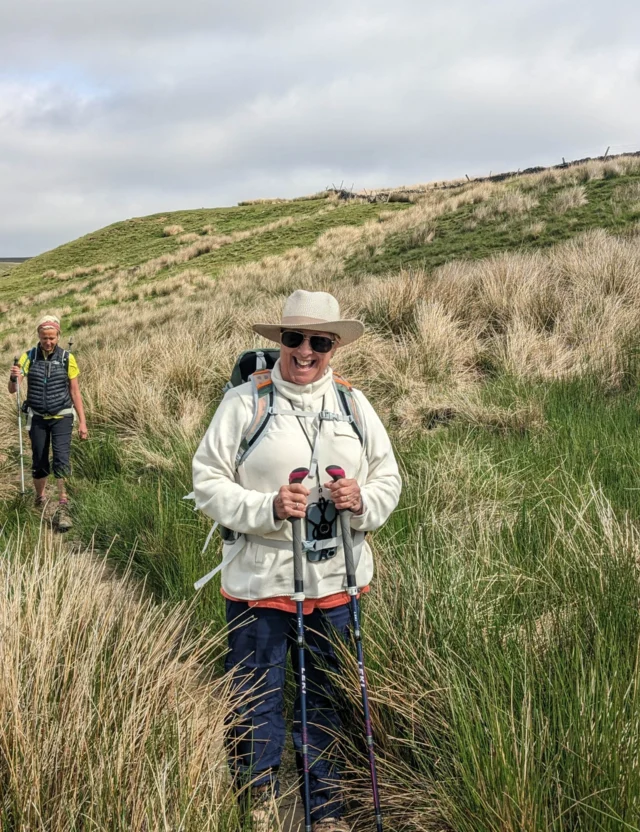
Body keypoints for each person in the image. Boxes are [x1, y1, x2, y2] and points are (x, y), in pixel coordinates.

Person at [192, 290, 401, 831]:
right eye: (294, 339)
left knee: (329, 699)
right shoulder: (245, 403)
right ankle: (259, 802)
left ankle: (326, 808)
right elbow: (206, 482)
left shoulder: (355, 405)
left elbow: (388, 479)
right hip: (260, 585)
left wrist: (364, 503)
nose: (305, 351)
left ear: (334, 347)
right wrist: (266, 508)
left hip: (338, 584)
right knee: (255, 699)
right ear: (279, 341)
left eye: (320, 341)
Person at [8, 315, 88, 530]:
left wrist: (83, 422)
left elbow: (75, 391)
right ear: (39, 336)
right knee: (39, 460)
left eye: (52, 337)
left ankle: (63, 504)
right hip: (37, 417)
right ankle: (40, 498)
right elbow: (13, 390)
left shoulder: (66, 358)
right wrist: (13, 377)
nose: (48, 341)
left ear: (58, 336)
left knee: (61, 459)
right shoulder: (28, 357)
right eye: (45, 338)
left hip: (62, 415)